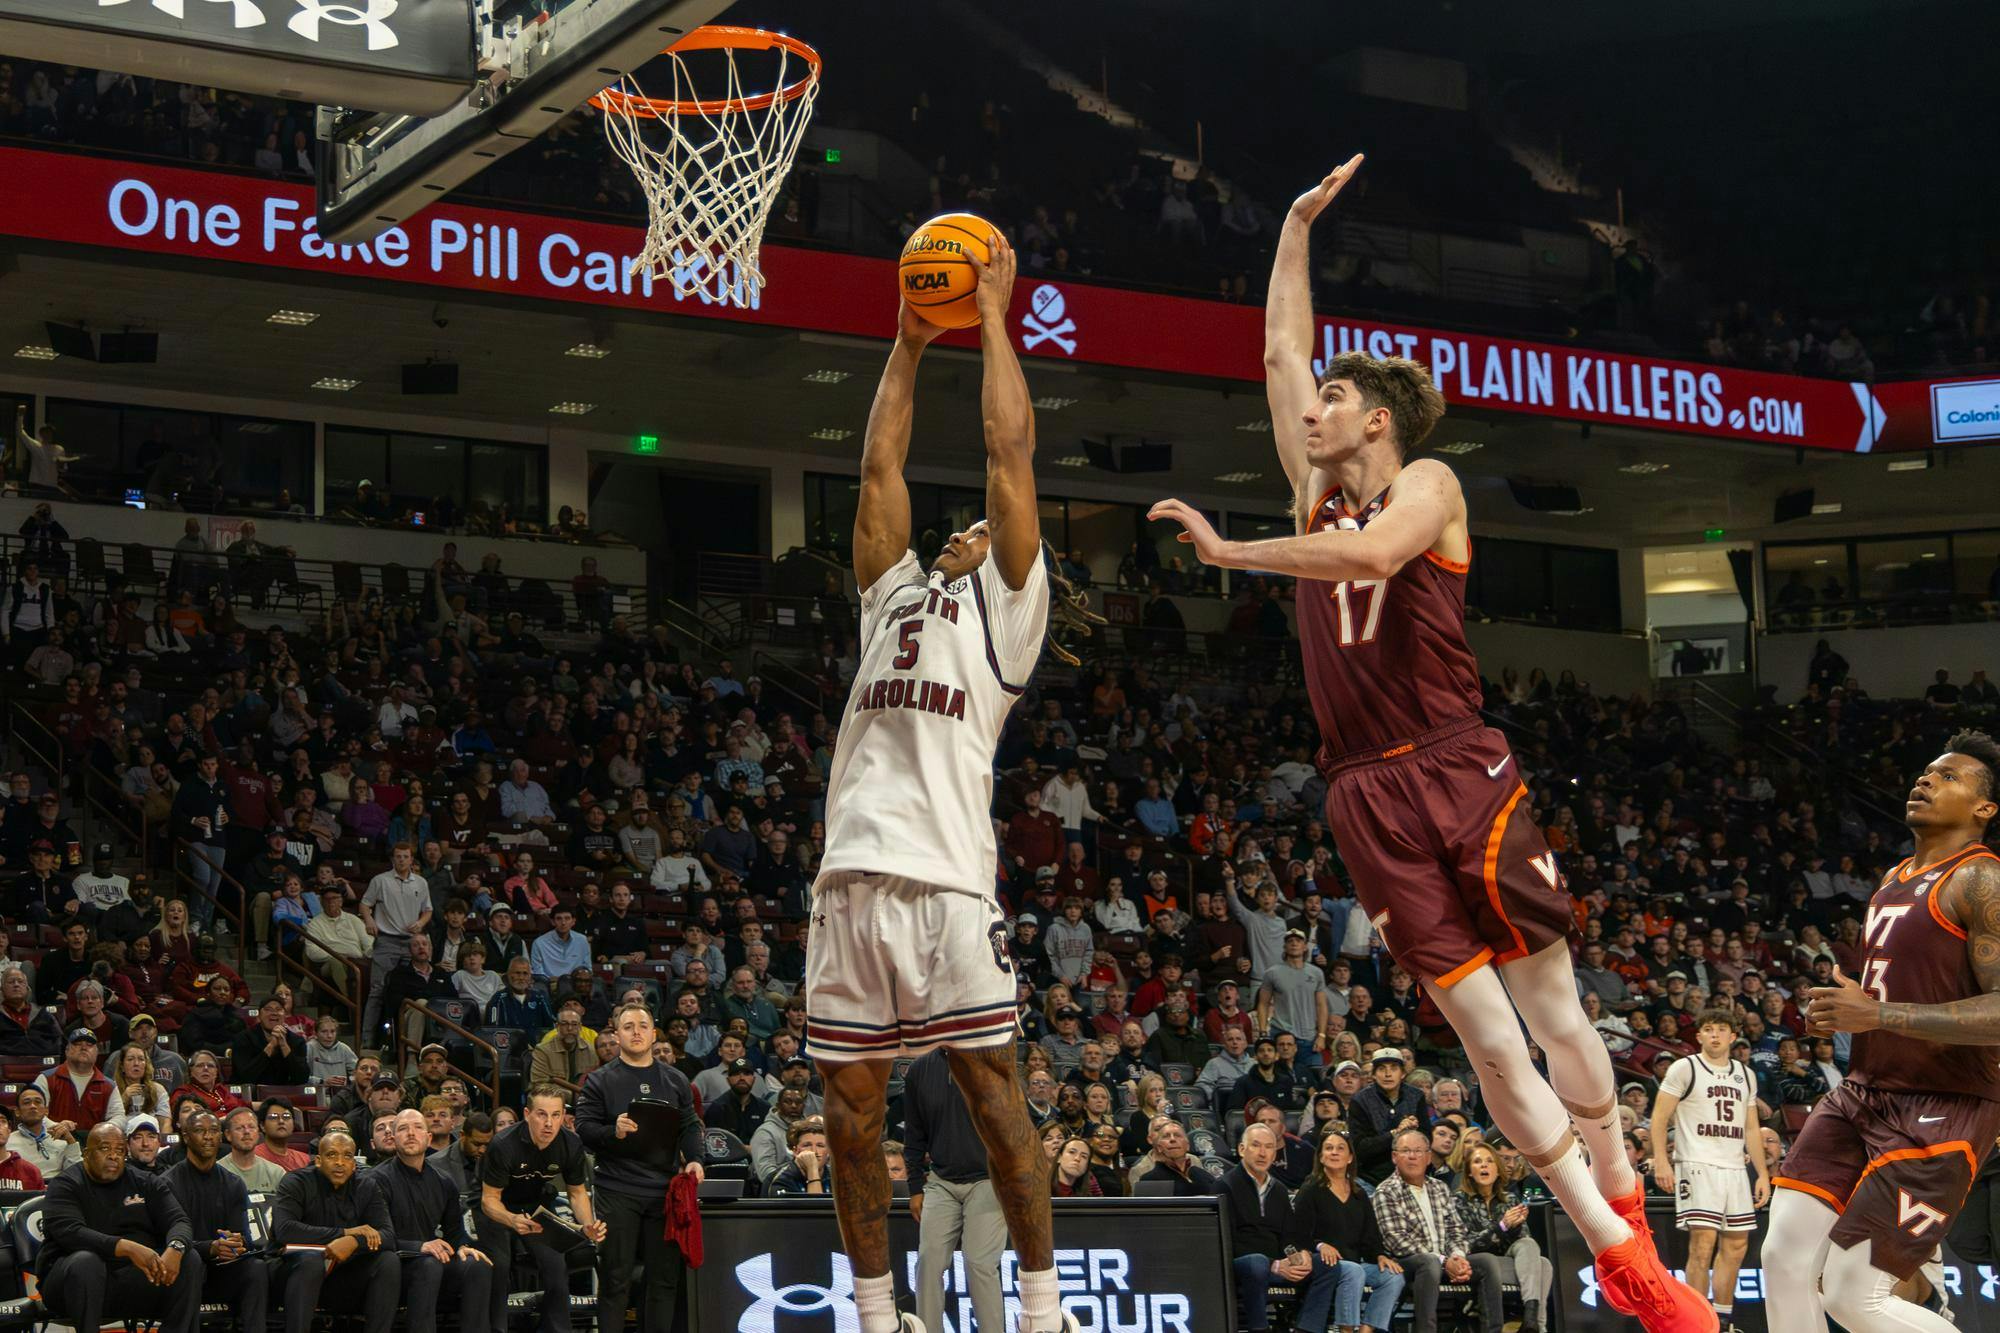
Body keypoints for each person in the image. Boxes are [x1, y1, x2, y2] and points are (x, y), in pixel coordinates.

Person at [1151, 154, 1703, 1330]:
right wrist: (1291, 228)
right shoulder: (1308, 485)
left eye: (1330, 400)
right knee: (1489, 1044)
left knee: (1554, 1017)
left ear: (1377, 417)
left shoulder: (1431, 484)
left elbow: (1364, 560)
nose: (1308, 409)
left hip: (1460, 765)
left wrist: (1229, 554)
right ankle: (1617, 1251)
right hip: (1364, 795)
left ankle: (1622, 1193)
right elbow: (1273, 354)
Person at [807, 236, 1091, 1333]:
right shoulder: (889, 600)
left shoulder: (1008, 616)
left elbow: (1007, 455)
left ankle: (1038, 1303)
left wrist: (995, 315)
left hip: (944, 885)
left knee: (991, 1097)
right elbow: (878, 472)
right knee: (846, 1114)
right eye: (961, 528)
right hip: (848, 881)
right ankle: (879, 1316)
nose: (971, 528)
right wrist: (909, 342)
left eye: (985, 528)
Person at [1767, 732, 2000, 1333]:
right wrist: (1850, 1010)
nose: (1925, 781)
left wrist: (1875, 1016)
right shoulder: (1894, 878)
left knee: (1853, 1296)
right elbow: (1903, 991)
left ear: (1984, 810)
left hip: (1945, 1105)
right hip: (1863, 1090)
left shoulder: (1982, 881)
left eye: (1948, 777)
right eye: (1926, 772)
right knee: (1783, 1261)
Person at [575, 1002, 704, 1333]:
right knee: (615, 1279)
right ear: (616, 1035)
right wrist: (612, 1132)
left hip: (663, 1193)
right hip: (617, 1190)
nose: (636, 1032)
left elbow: (690, 1125)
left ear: (653, 1033)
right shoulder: (599, 1080)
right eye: (628, 1026)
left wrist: (694, 1159)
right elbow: (585, 1130)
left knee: (663, 1281)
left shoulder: (675, 1079)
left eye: (642, 1026)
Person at [1649, 1008, 1767, 1330]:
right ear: (1699, 1036)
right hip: (1697, 1164)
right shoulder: (1684, 1068)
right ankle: (1696, 1322)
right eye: (1709, 1029)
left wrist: (1763, 1174)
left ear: (1732, 1036)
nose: (1715, 1034)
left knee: (1737, 1244)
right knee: (1702, 1244)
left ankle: (1722, 1319)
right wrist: (1662, 1160)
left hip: (1734, 1167)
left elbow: (1752, 1129)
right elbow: (1659, 1117)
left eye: (1721, 1029)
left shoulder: (1745, 1074)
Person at [38, 1122, 202, 1333]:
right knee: (86, 1262)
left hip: (132, 1279)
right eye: (105, 1148)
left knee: (190, 1259)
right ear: (87, 1153)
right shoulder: (66, 1184)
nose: (113, 1156)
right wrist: (127, 1247)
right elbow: (71, 1233)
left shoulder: (146, 1182)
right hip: (71, 1283)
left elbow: (179, 1220)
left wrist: (176, 1247)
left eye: (119, 1151)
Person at [477, 1083, 606, 1333]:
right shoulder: (503, 1144)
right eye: (542, 1114)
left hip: (535, 1205)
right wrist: (511, 1219)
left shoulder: (570, 1144)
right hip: (496, 1207)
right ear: (527, 1115)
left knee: (556, 1268)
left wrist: (587, 1224)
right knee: (499, 1266)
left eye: (556, 1115)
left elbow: (577, 1192)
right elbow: (489, 1199)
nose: (549, 1123)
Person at [902, 1048, 1005, 1333]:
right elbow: (913, 1133)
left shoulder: (990, 1062)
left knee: (979, 1263)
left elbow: (1011, 1124)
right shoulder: (920, 1069)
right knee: (928, 1262)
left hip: (988, 1179)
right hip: (941, 1180)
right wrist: (915, 1186)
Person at [370, 1108, 493, 1333]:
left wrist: (462, 1247)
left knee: (478, 1265)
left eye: (417, 1127)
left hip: (430, 1260)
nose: (410, 1133)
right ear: (394, 1138)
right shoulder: (376, 1180)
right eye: (403, 1129)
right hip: (393, 1265)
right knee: (428, 1264)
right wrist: (420, 1246)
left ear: (428, 1138)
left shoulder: (444, 1181)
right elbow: (378, 1237)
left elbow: (453, 1231)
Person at [1373, 1128, 1504, 1333]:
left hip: (1444, 1260)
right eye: (1406, 1151)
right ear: (1394, 1157)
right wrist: (1444, 1261)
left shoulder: (1439, 1188)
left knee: (1487, 1261)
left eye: (1418, 1151)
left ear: (1428, 1158)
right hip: (1407, 1264)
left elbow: (1456, 1230)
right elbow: (1396, 1241)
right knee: (1429, 1261)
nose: (1412, 1156)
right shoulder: (1386, 1191)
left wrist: (1458, 1257)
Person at [271, 1130, 401, 1333]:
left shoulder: (367, 1186)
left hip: (341, 1278)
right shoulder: (295, 1182)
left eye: (347, 1156)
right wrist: (343, 1234)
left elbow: (388, 1236)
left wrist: (354, 1242)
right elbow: (285, 1230)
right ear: (318, 1161)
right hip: (293, 1275)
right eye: (332, 1155)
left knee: (388, 1261)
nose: (340, 1162)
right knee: (311, 1261)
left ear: (354, 1163)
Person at [1225, 1121, 1340, 1333]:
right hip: (1244, 1266)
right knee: (1256, 1262)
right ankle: (1259, 1328)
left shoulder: (1278, 1189)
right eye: (1256, 1145)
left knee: (1327, 1265)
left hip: (1279, 1264)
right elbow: (1225, 1243)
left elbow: (1289, 1237)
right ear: (1242, 1150)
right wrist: (1274, 1264)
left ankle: (1306, 1328)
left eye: (1269, 1147)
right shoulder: (1225, 1186)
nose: (1262, 1153)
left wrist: (1298, 1258)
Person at [162, 1110, 270, 1333]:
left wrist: (235, 1243)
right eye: (200, 1131)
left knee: (256, 1268)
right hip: (185, 1271)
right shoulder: (168, 1183)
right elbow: (169, 1239)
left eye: (213, 1131)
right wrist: (211, 1247)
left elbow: (242, 1236)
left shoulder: (233, 1183)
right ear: (185, 1137)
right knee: (191, 1260)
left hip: (221, 1271)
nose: (208, 1137)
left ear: (221, 1137)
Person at [1290, 1129, 1405, 1333]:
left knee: (1393, 1276)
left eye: (1340, 1148)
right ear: (1321, 1157)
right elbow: (1297, 1234)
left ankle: (1367, 1328)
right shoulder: (1311, 1189)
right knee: (1354, 1271)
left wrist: (1379, 1255)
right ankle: (1346, 1329)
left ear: (1350, 1157)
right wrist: (1320, 1244)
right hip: (1324, 1263)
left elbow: (1370, 1234)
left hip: (1355, 1261)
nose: (1334, 1152)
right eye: (1328, 1148)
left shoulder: (1359, 1194)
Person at [1454, 1144, 1553, 1333]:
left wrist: (1514, 1228)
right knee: (1541, 1266)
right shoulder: (1459, 1201)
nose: (1484, 1166)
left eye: (1490, 1161)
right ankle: (1538, 1327)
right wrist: (1502, 1227)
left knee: (1541, 1259)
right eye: (1477, 1162)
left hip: (1508, 1262)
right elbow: (1469, 1245)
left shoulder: (1510, 1200)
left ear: (1498, 1170)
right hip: (1479, 1264)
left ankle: (1532, 1321)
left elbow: (1525, 1241)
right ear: (1469, 1173)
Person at [359, 842, 433, 1044]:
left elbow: (428, 910)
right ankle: (367, 1040)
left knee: (412, 992)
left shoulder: (420, 882)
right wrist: (369, 920)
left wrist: (420, 923)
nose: (402, 860)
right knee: (377, 991)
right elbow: (365, 904)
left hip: (411, 942)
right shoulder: (380, 880)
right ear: (393, 859)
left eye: (405, 856)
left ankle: (405, 1040)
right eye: (398, 856)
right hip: (386, 941)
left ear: (411, 859)